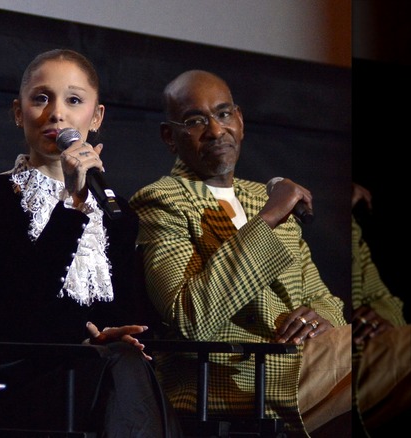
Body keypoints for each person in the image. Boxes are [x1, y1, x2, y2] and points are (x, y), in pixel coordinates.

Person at [0, 48, 181, 438]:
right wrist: (72, 203)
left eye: (73, 100)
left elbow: (125, 315)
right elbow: (20, 305)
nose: (57, 113)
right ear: (19, 113)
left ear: (96, 117)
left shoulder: (117, 214)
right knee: (122, 371)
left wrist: (110, 334)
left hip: (98, 374)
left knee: (126, 359)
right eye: (41, 98)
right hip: (22, 372)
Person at [129, 69, 351, 438]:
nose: (216, 131)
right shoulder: (161, 200)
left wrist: (319, 319)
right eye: (195, 120)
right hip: (234, 382)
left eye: (223, 113)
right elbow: (190, 318)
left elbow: (324, 298)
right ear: (169, 136)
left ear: (241, 120)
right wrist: (268, 218)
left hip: (308, 366)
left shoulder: (264, 195)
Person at [351, 182, 411, 438]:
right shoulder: (298, 225)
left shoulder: (352, 230)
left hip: (374, 349)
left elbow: (384, 299)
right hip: (340, 362)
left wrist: (381, 318)